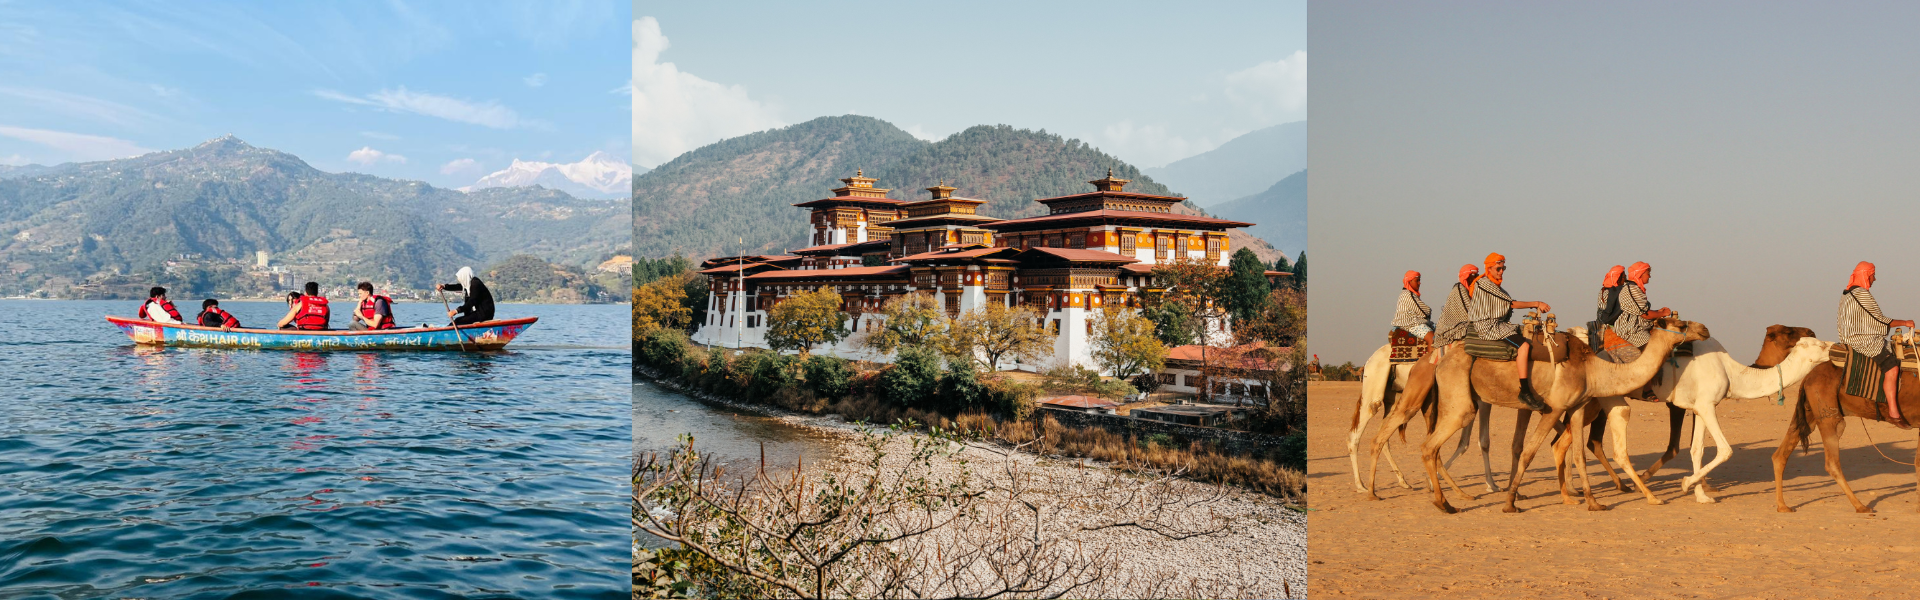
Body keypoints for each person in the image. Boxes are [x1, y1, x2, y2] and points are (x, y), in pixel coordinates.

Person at [1469, 253, 1553, 411]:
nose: (1501, 272)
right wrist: (1536, 303)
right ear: (1489, 268)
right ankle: (1525, 391)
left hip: (1498, 323)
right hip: (1489, 326)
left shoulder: (1494, 285)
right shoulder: (1485, 284)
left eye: (1503, 268)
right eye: (1498, 268)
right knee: (1524, 346)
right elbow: (1511, 304)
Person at [1839, 261, 1914, 428]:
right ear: (1866, 275)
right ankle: (1893, 412)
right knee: (1892, 367)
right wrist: (1905, 322)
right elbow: (1879, 319)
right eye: (1873, 274)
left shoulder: (1848, 293)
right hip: (1862, 340)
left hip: (1853, 337)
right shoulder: (1860, 293)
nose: (1874, 278)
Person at [1607, 261, 1673, 362]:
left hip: (1637, 325)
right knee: (1655, 352)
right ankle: (1651, 377)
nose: (1649, 276)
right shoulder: (1632, 289)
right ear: (1640, 274)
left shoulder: (1634, 288)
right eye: (1648, 273)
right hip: (1632, 330)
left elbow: (1640, 311)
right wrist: (1662, 314)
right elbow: (1645, 314)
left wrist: (1657, 312)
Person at [1433, 264, 1479, 348]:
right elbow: (1467, 313)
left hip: (1464, 323)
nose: (1476, 278)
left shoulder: (1470, 292)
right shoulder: (1459, 289)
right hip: (1451, 328)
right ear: (1466, 277)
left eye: (1477, 275)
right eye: (1473, 275)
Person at [1391, 270, 1434, 345]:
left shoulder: (1410, 294)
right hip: (1410, 324)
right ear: (1409, 281)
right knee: (1433, 340)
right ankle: (1431, 357)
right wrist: (1429, 311)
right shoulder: (1408, 294)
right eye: (1417, 281)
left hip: (1412, 322)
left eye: (1419, 280)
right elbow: (1423, 311)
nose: (1419, 283)